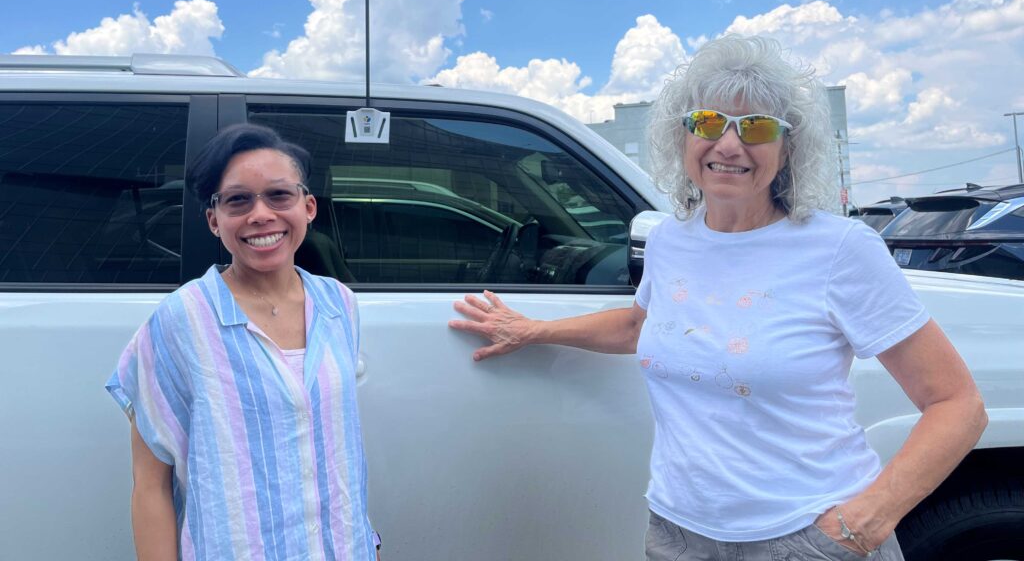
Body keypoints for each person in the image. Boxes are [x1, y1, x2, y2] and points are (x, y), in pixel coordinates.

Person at [449, 35, 986, 560]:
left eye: (755, 127)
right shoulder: (669, 239)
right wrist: (534, 330)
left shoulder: (840, 248)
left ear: (788, 148)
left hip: (808, 533)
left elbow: (956, 404)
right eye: (707, 122)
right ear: (683, 137)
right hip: (679, 533)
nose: (729, 144)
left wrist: (863, 522)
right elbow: (641, 326)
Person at [107, 123, 380, 561]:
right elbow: (151, 484)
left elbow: (340, 456)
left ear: (308, 207)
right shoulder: (182, 319)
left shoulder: (339, 304)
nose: (260, 215)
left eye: (279, 196)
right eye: (238, 200)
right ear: (214, 220)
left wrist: (368, 542)